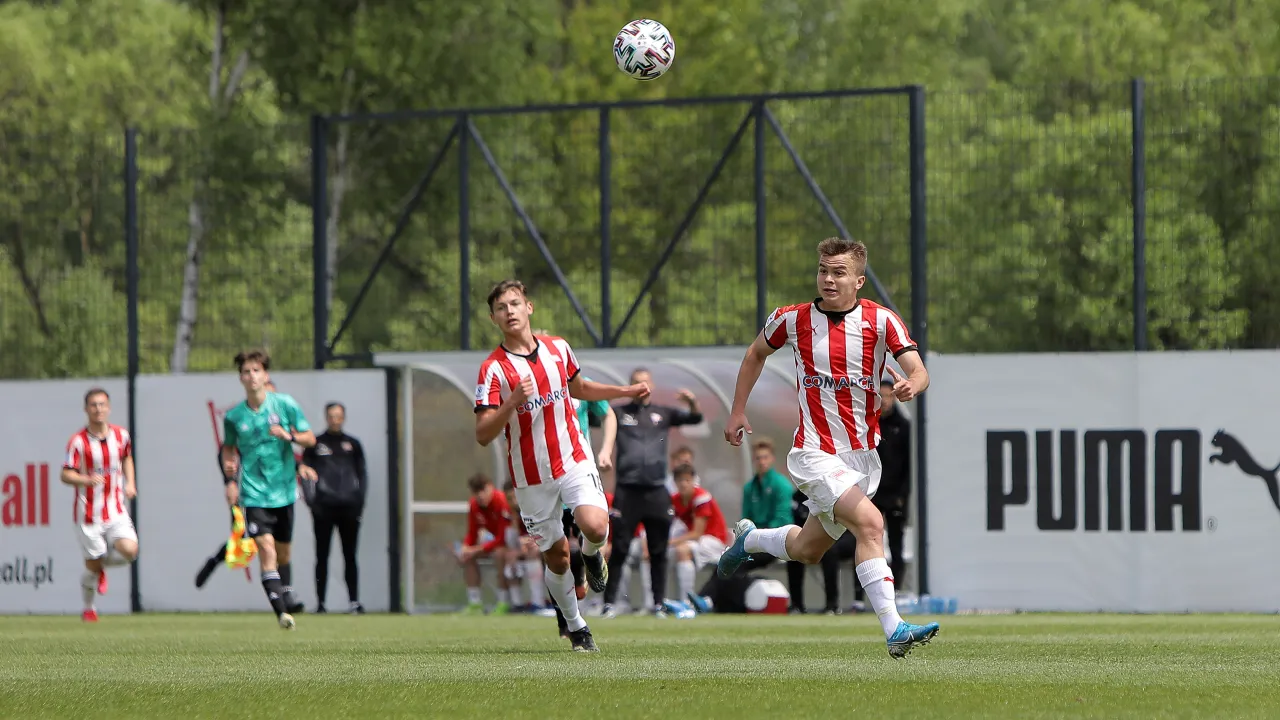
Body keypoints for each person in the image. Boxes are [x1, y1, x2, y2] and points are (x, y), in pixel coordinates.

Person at [717, 237, 940, 659]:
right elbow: (754, 354)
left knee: (808, 550)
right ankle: (894, 629)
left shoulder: (882, 321)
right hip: (813, 453)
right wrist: (737, 411)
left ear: (859, 280)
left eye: (839, 272)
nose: (828, 279)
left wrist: (914, 383)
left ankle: (749, 540)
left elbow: (917, 367)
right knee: (871, 525)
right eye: (823, 270)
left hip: (861, 459)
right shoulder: (793, 319)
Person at [473, 279, 649, 652]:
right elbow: (483, 433)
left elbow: (580, 389)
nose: (510, 311)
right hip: (531, 476)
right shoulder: (493, 370)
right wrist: (511, 403)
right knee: (556, 557)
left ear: (529, 307)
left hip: (573, 457)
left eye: (515, 303)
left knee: (595, 525)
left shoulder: (559, 348)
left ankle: (590, 554)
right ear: (494, 318)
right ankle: (576, 626)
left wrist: (625, 391)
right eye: (502, 308)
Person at [221, 349, 317, 629]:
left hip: (284, 492)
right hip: (253, 493)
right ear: (240, 378)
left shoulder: (284, 404)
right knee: (266, 549)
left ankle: (285, 592)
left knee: (283, 553)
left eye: (256, 371)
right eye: (246, 372)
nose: (251, 376)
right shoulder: (234, 416)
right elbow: (228, 448)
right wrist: (230, 474)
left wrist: (289, 436)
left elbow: (310, 438)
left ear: (266, 375)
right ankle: (281, 614)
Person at [602, 370, 703, 617]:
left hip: (657, 490)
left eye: (645, 381)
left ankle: (658, 603)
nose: (641, 385)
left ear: (652, 385)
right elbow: (598, 416)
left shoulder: (664, 413)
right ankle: (610, 603)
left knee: (658, 550)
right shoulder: (618, 412)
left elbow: (695, 419)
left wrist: (691, 402)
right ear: (630, 386)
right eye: (636, 382)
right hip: (627, 490)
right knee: (620, 549)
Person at [61, 388, 138, 623]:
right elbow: (65, 474)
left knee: (130, 551)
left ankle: (101, 565)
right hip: (88, 514)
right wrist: (85, 479)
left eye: (102, 404)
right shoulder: (78, 442)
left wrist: (130, 483)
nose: (98, 409)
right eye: (93, 405)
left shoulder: (121, 436)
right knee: (92, 566)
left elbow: (127, 457)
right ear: (86, 409)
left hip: (115, 509)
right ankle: (88, 607)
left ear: (109, 407)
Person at [301, 402, 367, 614]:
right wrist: (313, 503)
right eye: (331, 416)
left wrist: (359, 502)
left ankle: (354, 602)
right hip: (324, 508)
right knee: (322, 556)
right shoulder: (315, 444)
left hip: (349, 508)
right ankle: (320, 603)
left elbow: (362, 475)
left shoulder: (353, 445)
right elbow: (305, 475)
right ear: (326, 417)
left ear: (344, 418)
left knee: (350, 555)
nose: (335, 420)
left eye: (338, 416)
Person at [457, 473, 518, 614]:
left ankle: (503, 602)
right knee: (468, 556)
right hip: (491, 543)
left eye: (483, 490)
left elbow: (502, 538)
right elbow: (472, 533)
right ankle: (475, 603)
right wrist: (466, 547)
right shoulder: (474, 505)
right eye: (476, 492)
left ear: (490, 487)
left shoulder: (502, 501)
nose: (480, 496)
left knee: (499, 554)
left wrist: (476, 549)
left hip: (508, 544)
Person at [668, 464, 730, 603]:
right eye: (680, 480)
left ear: (693, 481)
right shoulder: (674, 499)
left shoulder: (702, 498)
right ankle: (654, 603)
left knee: (682, 550)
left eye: (687, 480)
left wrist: (669, 542)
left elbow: (696, 534)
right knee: (659, 554)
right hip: (697, 541)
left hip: (714, 541)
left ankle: (686, 602)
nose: (684, 484)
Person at [874, 377, 911, 589]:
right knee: (868, 541)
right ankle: (862, 596)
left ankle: (896, 590)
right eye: (881, 396)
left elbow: (909, 465)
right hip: (874, 494)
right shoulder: (870, 424)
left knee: (896, 545)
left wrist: (903, 495)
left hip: (895, 496)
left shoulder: (903, 427)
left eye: (888, 396)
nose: (885, 401)